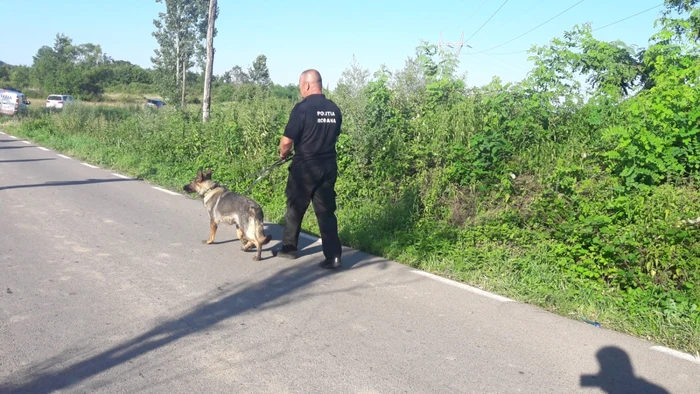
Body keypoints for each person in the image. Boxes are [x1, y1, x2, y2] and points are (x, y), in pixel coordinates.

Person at [273, 69, 343, 269]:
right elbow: (334, 136)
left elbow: (286, 141)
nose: (300, 90)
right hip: (328, 166)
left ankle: (289, 248)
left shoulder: (301, 109)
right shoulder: (334, 108)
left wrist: (283, 154)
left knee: (295, 207)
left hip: (305, 167)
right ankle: (334, 257)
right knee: (326, 212)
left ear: (307, 85)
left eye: (300, 86)